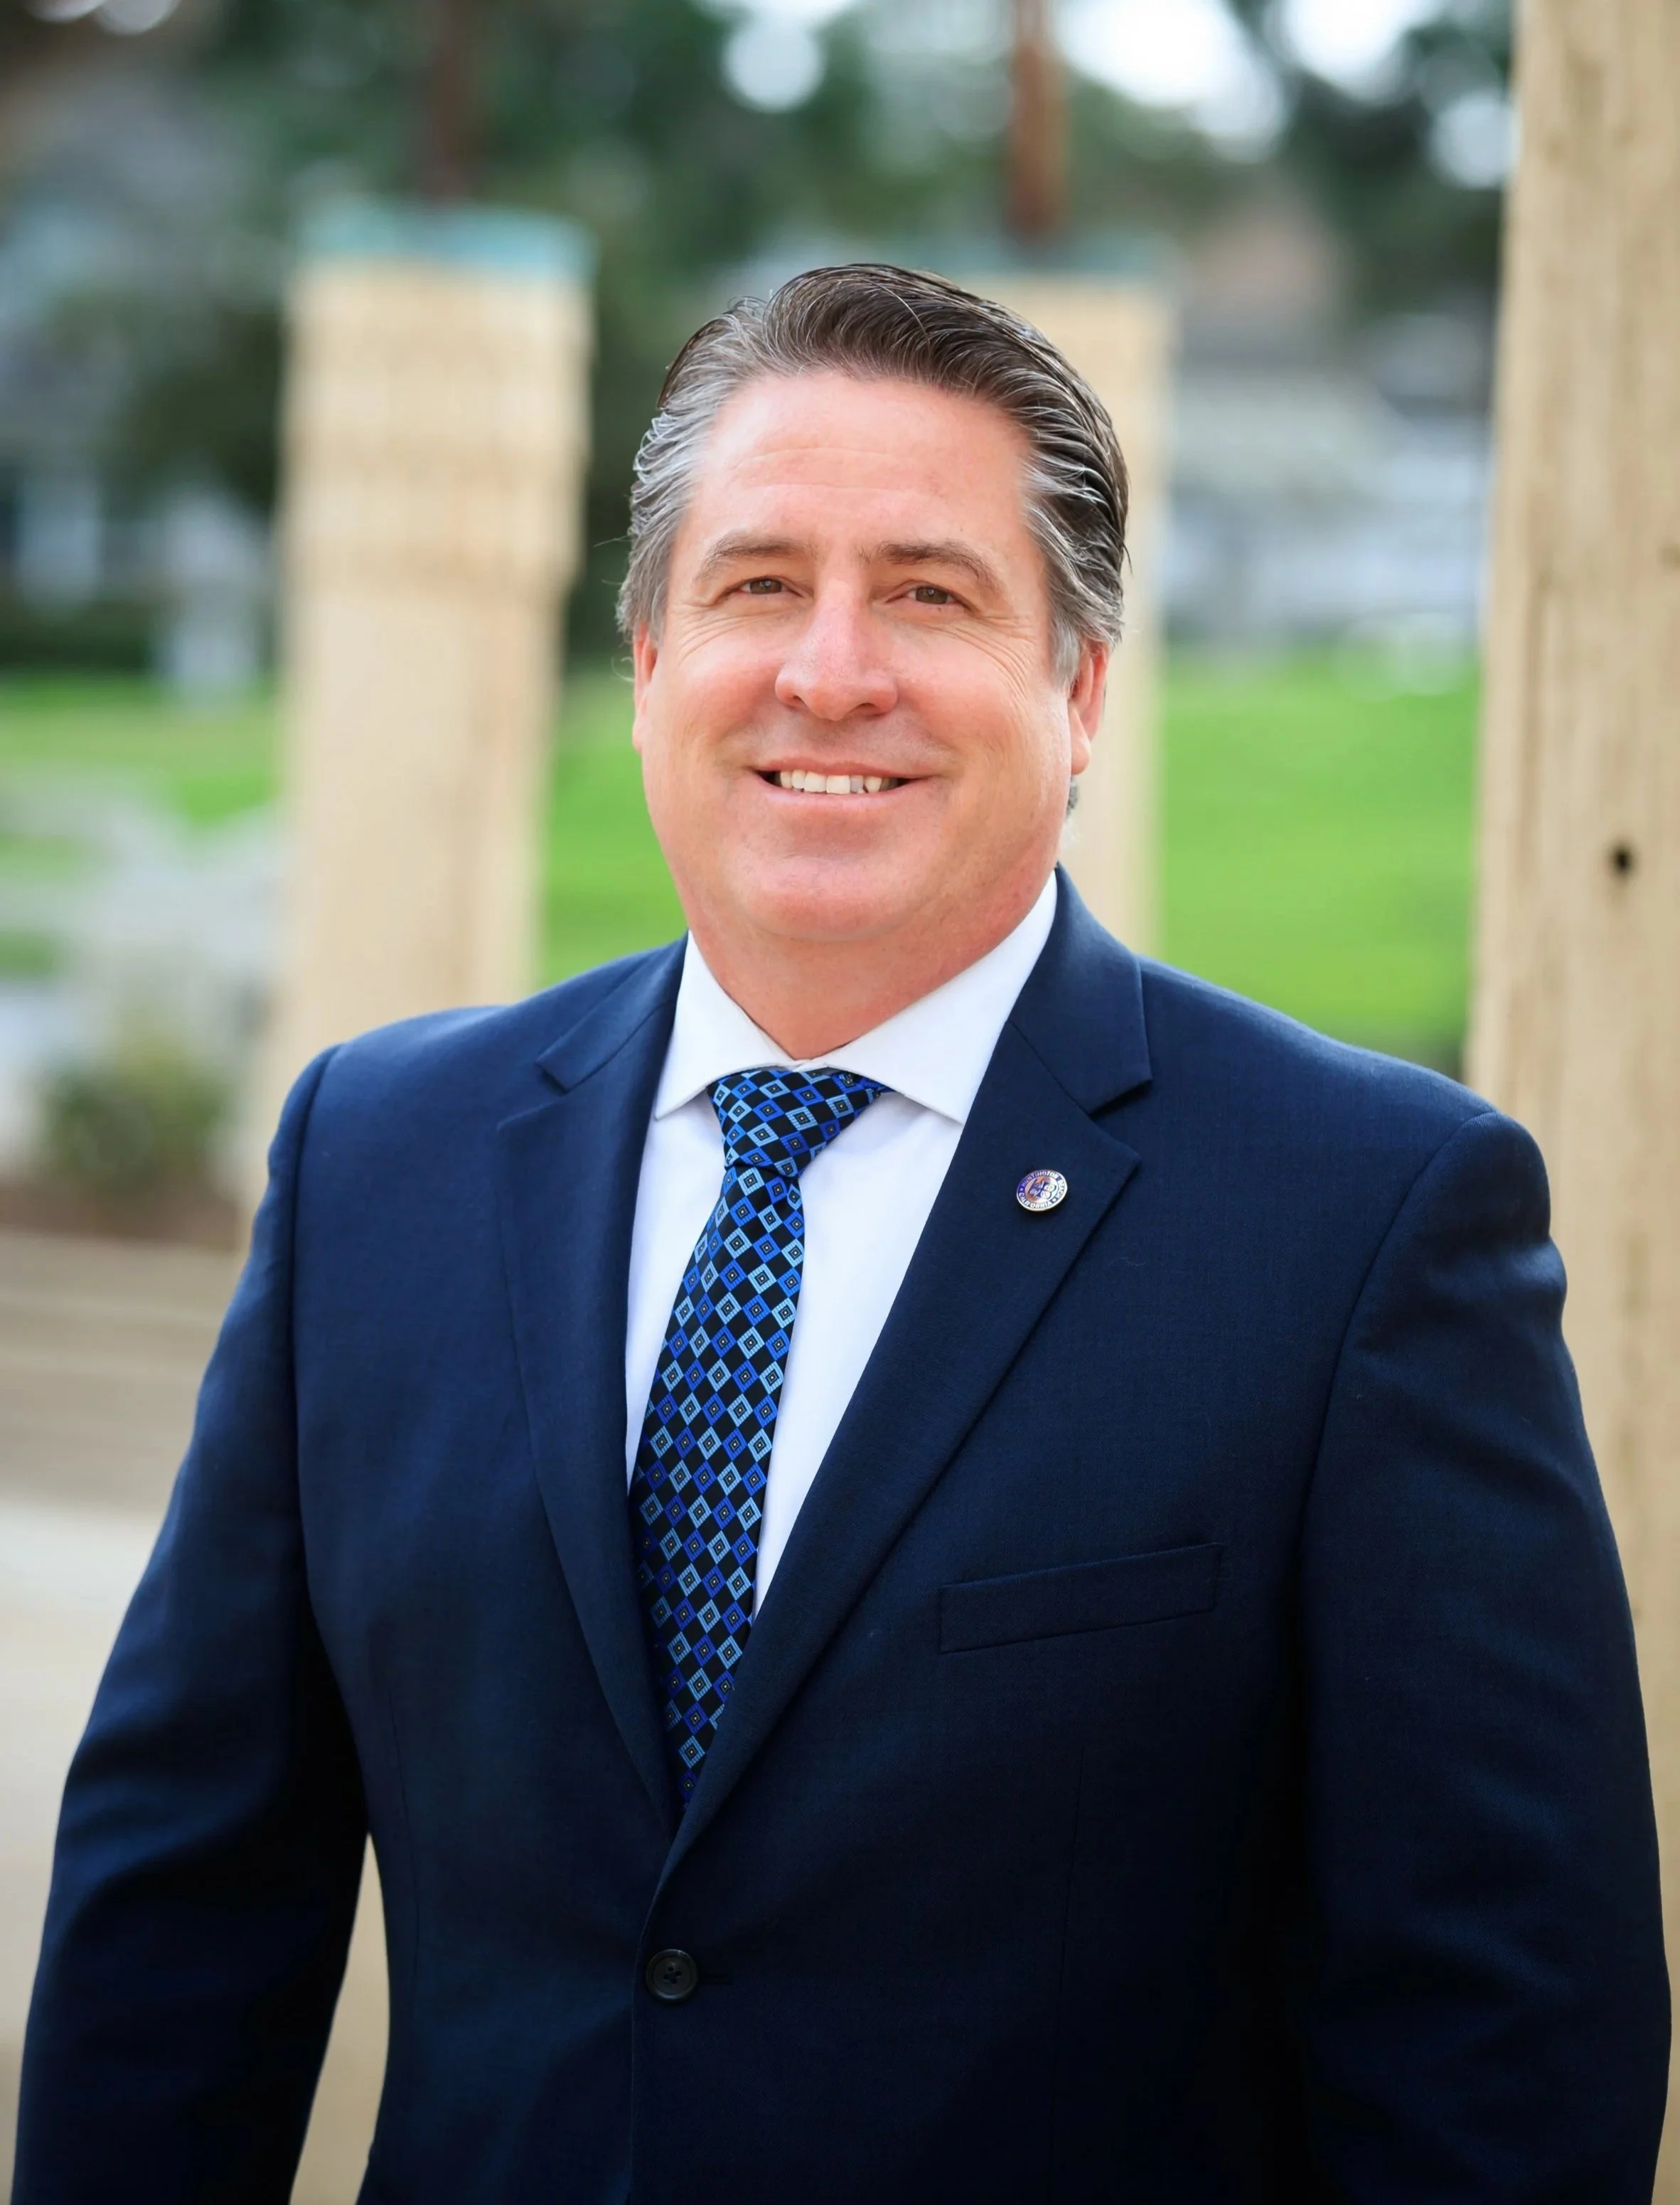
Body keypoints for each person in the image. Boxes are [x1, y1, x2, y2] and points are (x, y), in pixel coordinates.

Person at [16, 264, 1668, 2203]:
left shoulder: (1372, 1220)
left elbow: (1502, 2032)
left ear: (1081, 694)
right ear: (643, 668)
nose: (829, 670)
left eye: (932, 590)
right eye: (755, 583)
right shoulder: (379, 1151)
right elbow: (182, 1911)